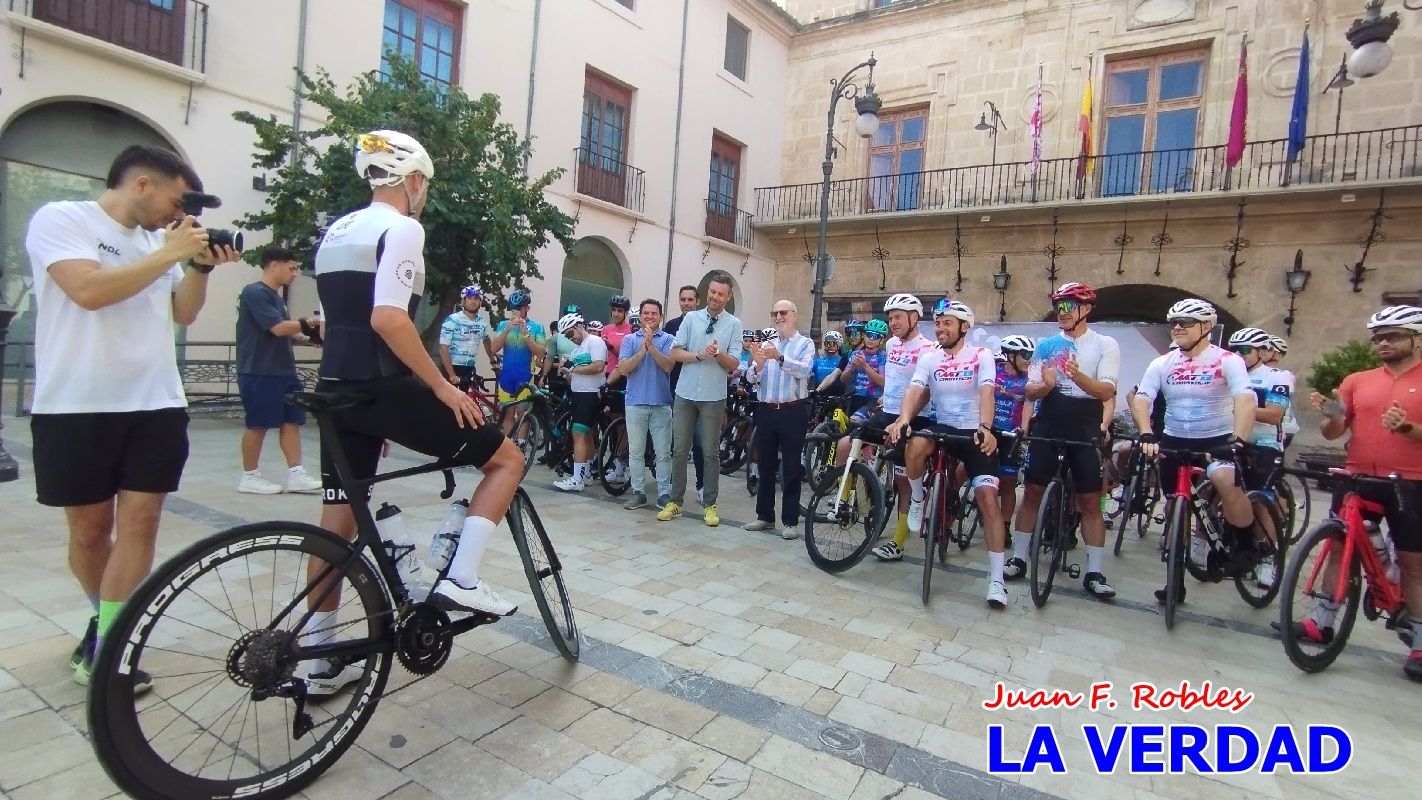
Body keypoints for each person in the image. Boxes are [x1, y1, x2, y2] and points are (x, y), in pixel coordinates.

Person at [307, 130, 522, 695]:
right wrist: (444, 389)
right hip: (383, 387)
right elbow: (388, 318)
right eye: (424, 184)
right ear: (414, 180)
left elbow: (337, 321)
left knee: (336, 523)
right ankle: (464, 579)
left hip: (336, 387)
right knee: (507, 461)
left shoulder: (336, 231)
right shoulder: (402, 227)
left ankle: (319, 651)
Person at [27, 144, 241, 688]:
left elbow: (183, 313)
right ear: (141, 184)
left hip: (155, 404)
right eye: (176, 200)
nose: (180, 215)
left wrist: (198, 268)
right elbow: (88, 291)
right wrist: (170, 254)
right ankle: (103, 625)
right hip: (77, 404)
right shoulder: (63, 219)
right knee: (89, 530)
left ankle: (111, 645)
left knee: (141, 523)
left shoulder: (157, 244)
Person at [1307, 305, 1422, 681]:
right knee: (1340, 546)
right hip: (1358, 475)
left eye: (1393, 336)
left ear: (1415, 338)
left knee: (1413, 563)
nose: (1383, 343)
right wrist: (1332, 415)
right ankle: (1320, 622)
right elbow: (1333, 432)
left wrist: (1407, 429)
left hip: (1411, 481)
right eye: (1378, 338)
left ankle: (1419, 640)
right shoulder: (1357, 380)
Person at [1132, 299, 1256, 605]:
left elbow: (1245, 399)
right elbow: (1142, 398)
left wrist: (1238, 439)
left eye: (1185, 322)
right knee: (1176, 508)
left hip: (1217, 440)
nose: (1177, 328)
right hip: (1175, 440)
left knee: (1226, 482)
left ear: (1205, 327)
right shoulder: (1162, 363)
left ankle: (1245, 545)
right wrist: (1147, 431)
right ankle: (1175, 581)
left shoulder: (1228, 360)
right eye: (1173, 322)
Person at [1004, 282, 1121, 600]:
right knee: (1031, 493)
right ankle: (1018, 558)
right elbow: (1029, 391)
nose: (1063, 312)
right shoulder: (1046, 346)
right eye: (1059, 306)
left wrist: (1076, 376)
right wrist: (1047, 385)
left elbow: (1107, 391)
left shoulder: (1105, 345)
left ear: (1086, 310)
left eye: (1069, 306)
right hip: (1050, 423)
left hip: (1084, 427)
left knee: (1089, 503)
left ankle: (1095, 572)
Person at [886, 299, 1008, 606]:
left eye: (947, 323)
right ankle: (918, 498)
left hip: (973, 431)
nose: (940, 329)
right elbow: (915, 388)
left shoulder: (981, 355)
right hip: (942, 429)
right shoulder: (930, 356)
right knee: (914, 445)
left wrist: (986, 426)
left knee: (988, 500)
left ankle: (996, 580)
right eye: (938, 323)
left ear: (964, 327)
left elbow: (987, 391)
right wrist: (903, 419)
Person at [234, 246, 324, 495]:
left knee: (292, 420)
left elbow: (285, 332)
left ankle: (296, 474)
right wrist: (311, 322)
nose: (295, 273)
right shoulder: (254, 293)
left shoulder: (275, 296)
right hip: (258, 370)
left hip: (283, 370)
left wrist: (309, 339)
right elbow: (276, 328)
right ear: (274, 265)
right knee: (258, 424)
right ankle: (249, 476)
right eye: (292, 267)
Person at [659, 272, 743, 527]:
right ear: (708, 292)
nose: (715, 297)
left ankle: (710, 504)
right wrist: (698, 355)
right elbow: (674, 351)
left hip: (713, 396)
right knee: (679, 450)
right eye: (713, 292)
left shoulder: (734, 324)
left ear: (728, 297)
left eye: (721, 294)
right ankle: (675, 502)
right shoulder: (691, 319)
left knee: (710, 453)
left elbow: (735, 362)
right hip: (684, 393)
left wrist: (717, 354)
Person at [743, 300, 815, 540]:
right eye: (775, 313)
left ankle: (791, 520)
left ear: (794, 315)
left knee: (792, 467)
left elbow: (804, 371)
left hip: (792, 410)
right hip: (766, 409)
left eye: (783, 313)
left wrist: (780, 357)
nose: (778, 317)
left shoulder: (805, 343)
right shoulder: (767, 343)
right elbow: (752, 378)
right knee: (764, 464)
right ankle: (764, 516)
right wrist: (759, 364)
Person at [1231, 326, 1292, 587]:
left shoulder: (1277, 376)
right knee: (1215, 490)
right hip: (1233, 439)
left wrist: (1239, 408)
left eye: (1245, 350)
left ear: (1262, 352)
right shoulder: (1229, 374)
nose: (1238, 355)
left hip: (1264, 442)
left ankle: (1268, 558)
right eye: (1234, 350)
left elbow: (1274, 414)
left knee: (1260, 501)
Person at [614, 299, 676, 510]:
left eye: (654, 313)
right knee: (636, 452)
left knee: (663, 452)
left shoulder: (669, 339)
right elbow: (623, 368)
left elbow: (668, 366)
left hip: (661, 403)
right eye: (646, 313)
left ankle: (664, 493)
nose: (650, 316)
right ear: (640, 316)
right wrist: (642, 351)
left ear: (660, 316)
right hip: (635, 402)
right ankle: (638, 492)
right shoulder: (630, 340)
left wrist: (651, 347)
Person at [553, 312, 608, 492]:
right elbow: (574, 374)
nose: (570, 338)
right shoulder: (576, 349)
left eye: (570, 333)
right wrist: (566, 372)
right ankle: (587, 474)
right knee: (586, 435)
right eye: (566, 336)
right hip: (578, 394)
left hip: (590, 394)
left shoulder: (595, 342)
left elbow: (598, 366)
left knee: (578, 434)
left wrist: (574, 368)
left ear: (578, 326)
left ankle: (577, 479)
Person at [663, 285, 707, 499]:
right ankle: (674, 485)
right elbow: (669, 357)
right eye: (683, 299)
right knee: (677, 443)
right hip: (677, 389)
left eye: (690, 299)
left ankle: (701, 485)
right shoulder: (671, 325)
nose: (686, 303)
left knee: (699, 441)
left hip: (701, 390)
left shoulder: (706, 323)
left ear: (697, 301)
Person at [991, 335, 1035, 531]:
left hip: (1011, 435)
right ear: (1009, 355)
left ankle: (1005, 526)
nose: (1029, 359)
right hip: (989, 431)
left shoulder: (1029, 380)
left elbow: (1029, 403)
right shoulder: (993, 372)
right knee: (964, 471)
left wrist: (1024, 427)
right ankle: (948, 509)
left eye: (1031, 355)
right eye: (1025, 354)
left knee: (1008, 483)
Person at [489, 289, 547, 434]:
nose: (515, 311)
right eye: (513, 308)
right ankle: (506, 446)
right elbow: (493, 349)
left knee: (522, 413)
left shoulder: (537, 327)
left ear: (527, 308)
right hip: (507, 375)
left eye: (519, 308)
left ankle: (520, 445)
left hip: (525, 375)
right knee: (507, 413)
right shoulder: (503, 325)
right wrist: (506, 331)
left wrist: (526, 336)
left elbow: (540, 354)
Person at [438, 284, 494, 391]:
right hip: (451, 367)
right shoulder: (452, 319)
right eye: (469, 298)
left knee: (468, 403)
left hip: (469, 368)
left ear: (480, 302)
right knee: (449, 405)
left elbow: (486, 339)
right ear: (463, 301)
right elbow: (443, 348)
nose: (473, 301)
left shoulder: (481, 322)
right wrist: (452, 375)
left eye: (476, 298)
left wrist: (493, 361)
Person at [840, 318, 888, 415]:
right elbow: (843, 380)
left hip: (873, 399)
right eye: (868, 335)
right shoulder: (856, 354)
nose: (871, 338)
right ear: (864, 336)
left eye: (876, 336)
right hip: (855, 397)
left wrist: (865, 366)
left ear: (881, 340)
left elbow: (882, 382)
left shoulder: (883, 356)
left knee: (857, 421)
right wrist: (852, 368)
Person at [603, 294, 633, 378]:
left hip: (623, 375)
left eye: (619, 311)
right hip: (606, 374)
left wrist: (610, 347)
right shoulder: (606, 329)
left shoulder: (631, 330)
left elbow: (629, 357)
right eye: (613, 310)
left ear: (626, 313)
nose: (615, 314)